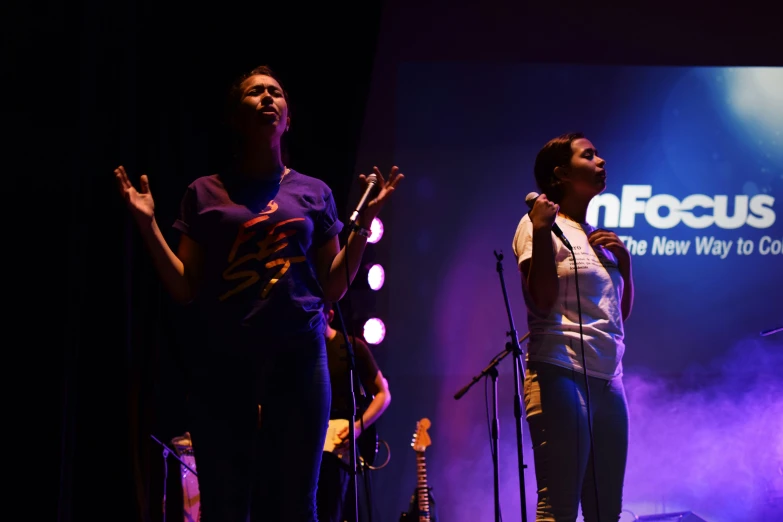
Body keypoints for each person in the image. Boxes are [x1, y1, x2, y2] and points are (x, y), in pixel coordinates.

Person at [114, 64, 404, 522]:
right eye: (255, 93)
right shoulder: (204, 193)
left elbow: (332, 285)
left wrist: (364, 226)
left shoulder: (313, 192)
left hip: (299, 358)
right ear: (236, 116)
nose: (268, 98)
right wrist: (148, 225)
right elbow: (185, 287)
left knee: (297, 505)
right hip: (224, 360)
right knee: (225, 507)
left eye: (276, 92)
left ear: (287, 119)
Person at [512, 132, 634, 522]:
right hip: (559, 373)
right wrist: (544, 229)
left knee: (606, 513)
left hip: (610, 380)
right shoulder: (535, 224)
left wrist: (626, 267)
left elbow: (617, 316)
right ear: (561, 173)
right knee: (560, 507)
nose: (601, 161)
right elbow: (542, 300)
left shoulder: (596, 237)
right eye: (589, 155)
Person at [317, 301, 391, 522]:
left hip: (338, 449)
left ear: (328, 315)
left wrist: (358, 427)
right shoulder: (299, 353)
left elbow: (383, 394)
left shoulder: (351, 348)